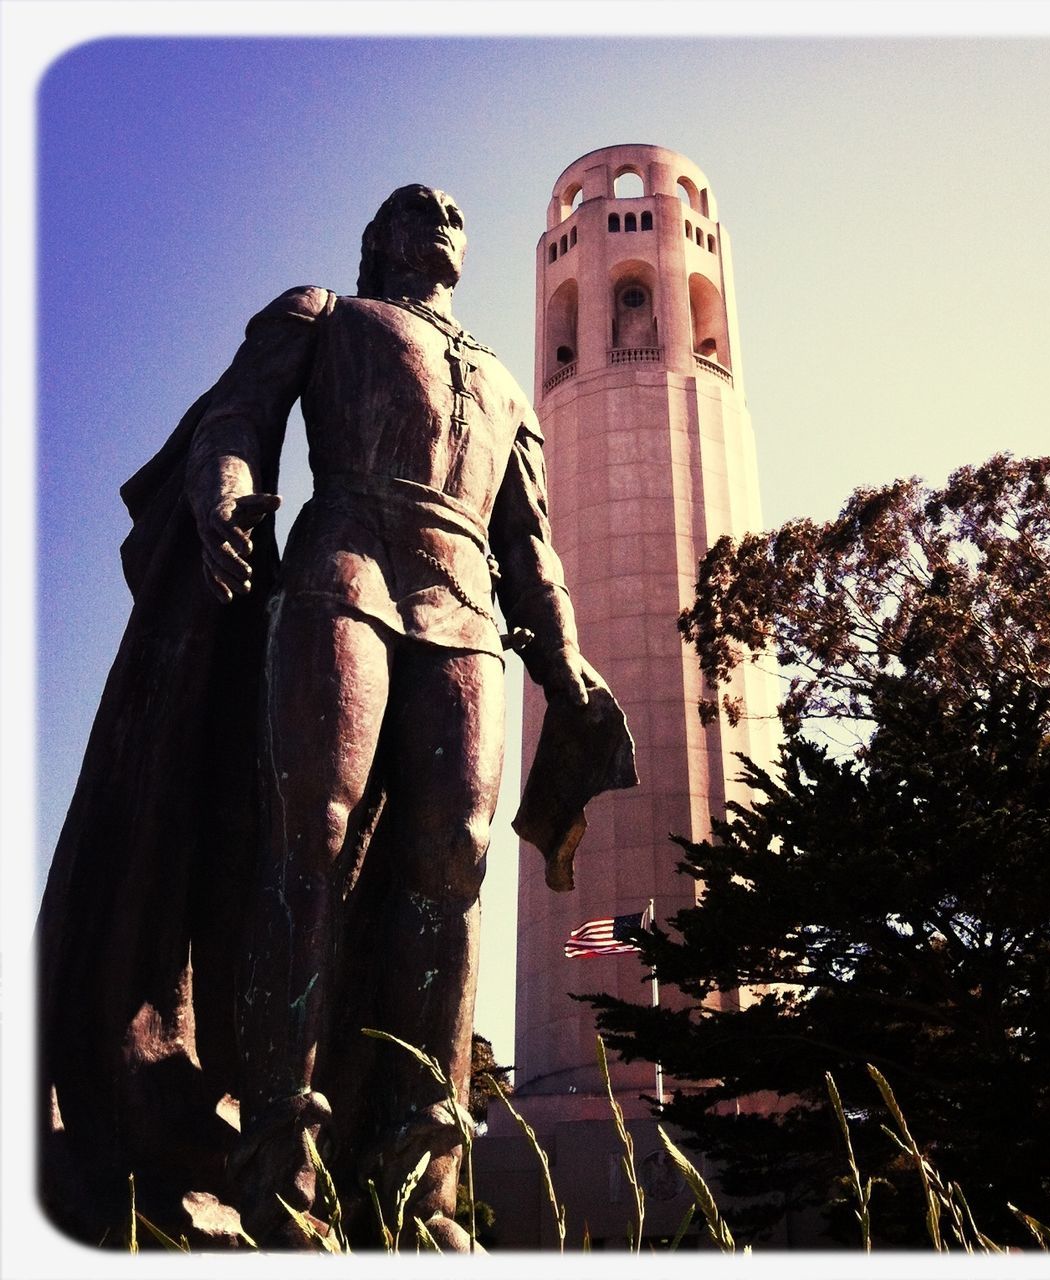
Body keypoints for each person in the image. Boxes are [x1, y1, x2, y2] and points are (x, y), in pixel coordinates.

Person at [39, 185, 631, 1249]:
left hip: (463, 612)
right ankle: (274, 1152)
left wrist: (566, 654)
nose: (441, 211)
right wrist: (225, 493)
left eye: (452, 208)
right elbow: (235, 417)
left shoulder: (503, 383)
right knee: (309, 833)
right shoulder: (327, 314)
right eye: (416, 207)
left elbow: (529, 545)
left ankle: (421, 1171)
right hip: (343, 569)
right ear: (383, 241)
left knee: (452, 858)